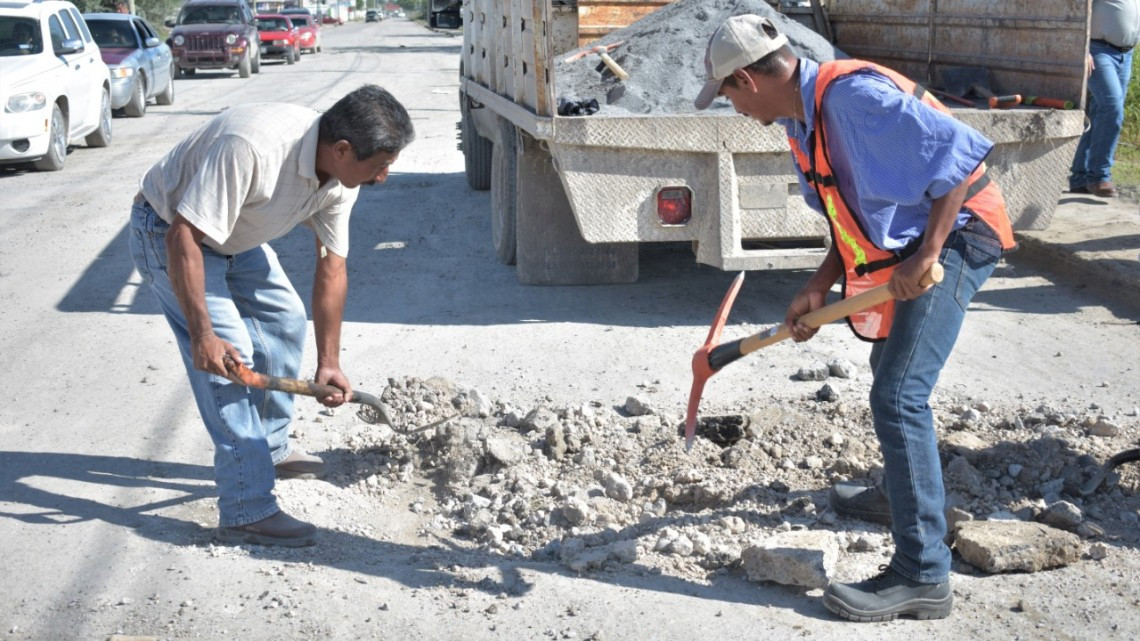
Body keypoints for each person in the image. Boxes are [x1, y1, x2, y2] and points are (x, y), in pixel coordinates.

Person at [694, 15, 1016, 621]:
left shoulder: (852, 100)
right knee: (887, 369)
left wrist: (925, 255)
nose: (730, 106)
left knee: (899, 394)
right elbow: (849, 212)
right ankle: (905, 494)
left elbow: (961, 161)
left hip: (958, 239)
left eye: (727, 94)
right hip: (913, 245)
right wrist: (819, 285)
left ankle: (923, 573)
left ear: (746, 77)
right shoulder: (801, 120)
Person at [128, 85, 414, 547]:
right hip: (169, 233)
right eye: (379, 165)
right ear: (342, 149)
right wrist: (204, 333)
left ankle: (272, 448)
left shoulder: (340, 178)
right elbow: (184, 234)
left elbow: (332, 267)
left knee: (283, 321)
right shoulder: (252, 148)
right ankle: (246, 506)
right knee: (229, 364)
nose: (383, 177)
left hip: (235, 238)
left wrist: (329, 363)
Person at [1069, 0, 1140, 198]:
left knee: (1101, 111)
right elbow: (1077, 11)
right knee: (1112, 108)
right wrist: (1083, 49)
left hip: (1125, 53)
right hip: (1098, 50)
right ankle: (1099, 176)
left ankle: (1079, 177)